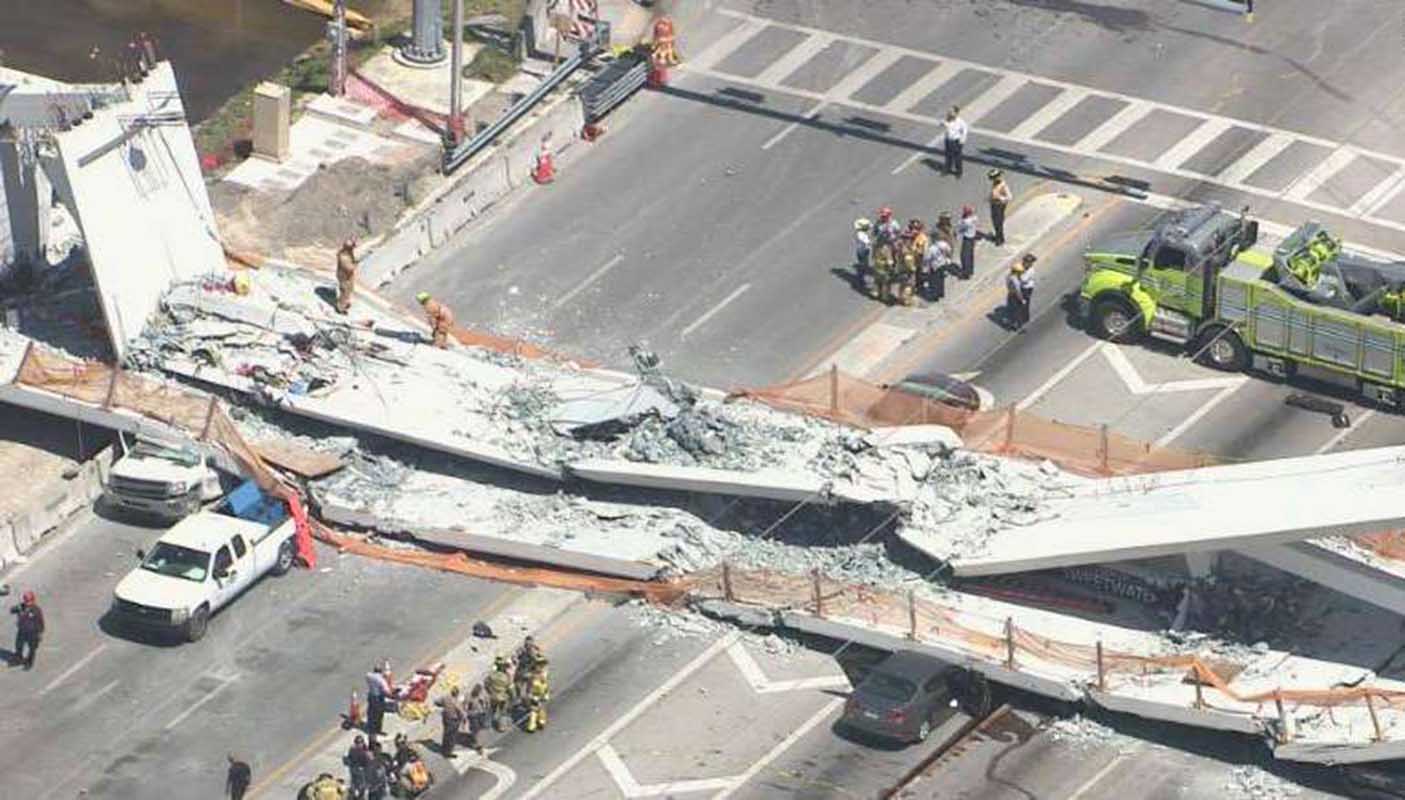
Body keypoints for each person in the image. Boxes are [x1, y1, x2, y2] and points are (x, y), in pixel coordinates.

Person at [10, 590, 43, 670]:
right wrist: (16, 608)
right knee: (18, 645)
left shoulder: (36, 610)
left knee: (32, 648)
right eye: (26, 600)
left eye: (28, 600)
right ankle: (19, 659)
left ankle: (29, 662)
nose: (27, 602)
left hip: (32, 632)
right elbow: (11, 611)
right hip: (22, 630)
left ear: (32, 600)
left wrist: (39, 633)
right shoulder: (21, 606)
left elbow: (40, 622)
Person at [485, 656, 514, 731]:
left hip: (493, 696)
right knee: (502, 711)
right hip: (502, 697)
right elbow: (509, 687)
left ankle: (487, 724)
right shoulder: (506, 677)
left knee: (492, 710)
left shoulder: (492, 675)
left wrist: (490, 692)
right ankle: (501, 726)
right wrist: (512, 696)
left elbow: (486, 684)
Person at [438, 686, 465, 758]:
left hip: (446, 718)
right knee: (452, 737)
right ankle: (448, 752)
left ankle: (444, 748)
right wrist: (463, 721)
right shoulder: (456, 702)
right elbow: (461, 713)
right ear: (457, 694)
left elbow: (437, 702)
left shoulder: (445, 698)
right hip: (453, 721)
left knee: (446, 734)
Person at [923, 233, 951, 302]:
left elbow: (927, 258)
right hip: (943, 263)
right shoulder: (943, 244)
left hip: (935, 266)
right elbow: (949, 250)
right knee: (941, 280)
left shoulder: (932, 248)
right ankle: (941, 293)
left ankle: (935, 296)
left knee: (934, 281)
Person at [365, 663, 391, 737]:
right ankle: (377, 730)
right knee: (379, 715)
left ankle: (370, 727)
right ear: (380, 671)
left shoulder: (369, 676)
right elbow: (387, 691)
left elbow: (368, 674)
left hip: (371, 696)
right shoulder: (381, 680)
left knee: (370, 713)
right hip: (378, 698)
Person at [525, 659, 551, 733]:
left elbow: (546, 684)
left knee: (541, 708)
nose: (542, 667)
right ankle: (532, 726)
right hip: (535, 695)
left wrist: (546, 693)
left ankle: (541, 721)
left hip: (541, 693)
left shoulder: (544, 673)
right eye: (541, 665)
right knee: (534, 710)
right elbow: (529, 688)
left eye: (543, 665)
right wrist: (531, 696)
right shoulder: (532, 676)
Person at [988, 170, 1013, 246]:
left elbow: (1010, 197)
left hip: (999, 205)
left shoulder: (1003, 185)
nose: (993, 179)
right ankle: (997, 236)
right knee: (995, 221)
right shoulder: (995, 183)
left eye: (994, 177)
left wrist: (1000, 198)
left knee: (999, 222)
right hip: (994, 204)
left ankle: (1000, 239)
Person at [943, 106, 968, 178]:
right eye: (949, 112)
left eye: (951, 112)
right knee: (948, 156)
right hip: (948, 140)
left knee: (957, 157)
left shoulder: (960, 122)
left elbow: (965, 131)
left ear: (956, 113)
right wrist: (945, 122)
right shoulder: (947, 119)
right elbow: (941, 124)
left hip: (956, 141)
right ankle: (947, 169)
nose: (949, 113)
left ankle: (959, 172)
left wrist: (962, 141)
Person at [335, 238, 357, 314]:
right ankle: (340, 308)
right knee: (344, 291)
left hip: (348, 276)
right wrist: (354, 265)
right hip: (344, 277)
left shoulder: (348, 253)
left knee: (349, 289)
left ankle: (345, 303)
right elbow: (349, 268)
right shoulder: (343, 257)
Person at [465, 684, 489, 754]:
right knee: (476, 730)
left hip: (480, 713)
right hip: (473, 715)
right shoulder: (469, 696)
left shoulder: (482, 695)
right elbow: (465, 707)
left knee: (479, 729)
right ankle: (479, 746)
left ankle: (476, 739)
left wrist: (485, 707)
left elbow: (487, 702)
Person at [345, 735, 370, 800]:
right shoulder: (352, 749)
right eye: (357, 743)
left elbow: (368, 762)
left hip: (361, 772)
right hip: (354, 770)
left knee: (361, 786)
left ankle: (360, 796)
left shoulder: (365, 751)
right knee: (354, 784)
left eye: (360, 742)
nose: (359, 744)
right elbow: (349, 758)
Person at [958, 205, 979, 279]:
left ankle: (966, 273)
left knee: (964, 256)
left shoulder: (966, 221)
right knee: (970, 255)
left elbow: (960, 228)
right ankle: (970, 270)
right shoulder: (974, 218)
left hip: (967, 239)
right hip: (972, 237)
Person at [853, 218, 873, 290]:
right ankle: (861, 279)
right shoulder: (860, 235)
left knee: (864, 264)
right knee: (863, 264)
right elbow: (866, 242)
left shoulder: (862, 233)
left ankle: (861, 278)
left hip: (863, 250)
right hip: (862, 251)